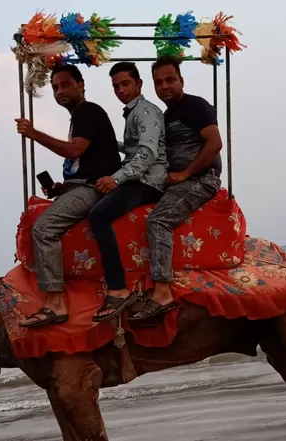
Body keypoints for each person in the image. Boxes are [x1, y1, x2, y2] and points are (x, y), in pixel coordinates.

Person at [14, 64, 122, 328]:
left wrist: (34, 133)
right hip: (80, 185)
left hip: (93, 188)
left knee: (44, 228)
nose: (59, 91)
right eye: (54, 88)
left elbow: (75, 150)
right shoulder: (79, 117)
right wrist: (63, 188)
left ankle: (55, 302)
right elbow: (84, 159)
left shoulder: (88, 111)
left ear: (81, 85)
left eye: (64, 85)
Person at [129, 56, 223, 322]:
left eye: (170, 80)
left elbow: (215, 143)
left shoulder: (195, 105)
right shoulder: (167, 116)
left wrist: (187, 173)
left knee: (158, 221)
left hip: (201, 178)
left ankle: (162, 292)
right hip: (177, 179)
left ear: (181, 80)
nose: (165, 86)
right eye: (159, 82)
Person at [88, 62, 169, 322]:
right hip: (139, 176)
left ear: (139, 84)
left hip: (149, 181)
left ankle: (118, 287)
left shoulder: (145, 111)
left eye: (125, 84)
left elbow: (146, 154)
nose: (121, 90)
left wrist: (116, 179)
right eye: (116, 86)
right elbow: (135, 148)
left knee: (98, 216)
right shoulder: (133, 112)